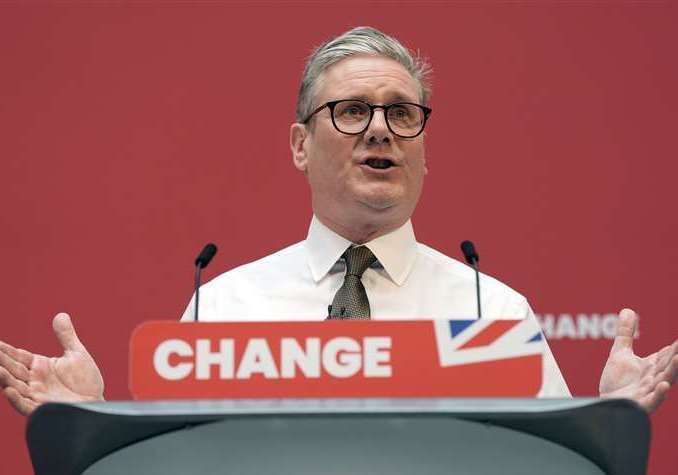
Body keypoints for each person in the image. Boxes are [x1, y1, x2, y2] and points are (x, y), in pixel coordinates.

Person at [0, 27, 675, 414]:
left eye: (402, 114)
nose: (380, 130)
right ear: (300, 145)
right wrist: (87, 426)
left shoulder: (494, 313)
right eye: (352, 111)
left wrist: (606, 425)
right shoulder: (225, 306)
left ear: (422, 146)